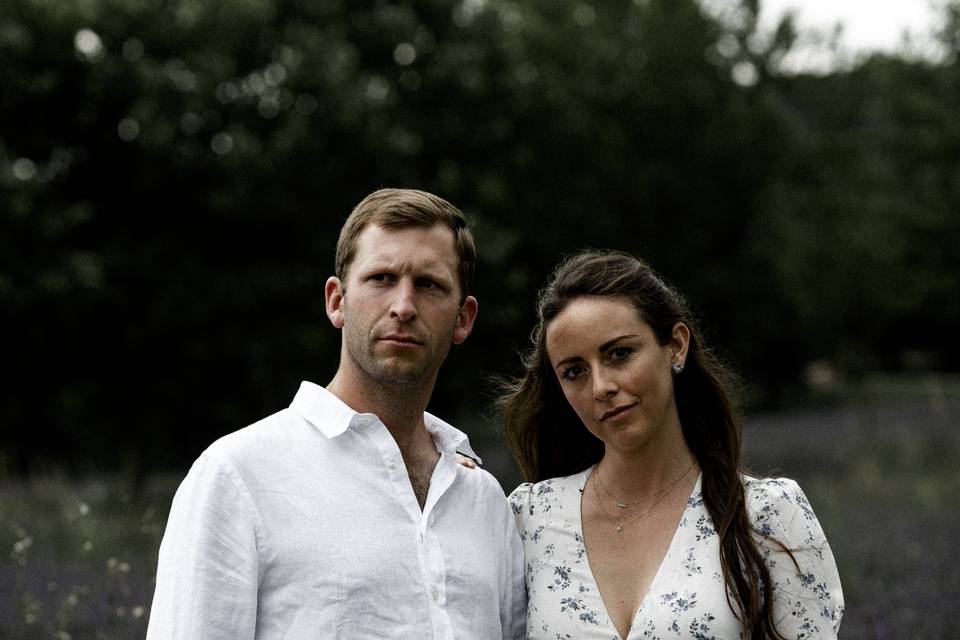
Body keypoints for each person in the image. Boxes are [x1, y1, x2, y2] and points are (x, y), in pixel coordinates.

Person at [147, 188, 526, 639]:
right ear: (336, 301)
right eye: (381, 278)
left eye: (429, 285)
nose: (403, 306)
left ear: (464, 318)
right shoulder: (238, 476)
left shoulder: (484, 502)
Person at [501, 249, 843, 639]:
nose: (601, 387)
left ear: (676, 345)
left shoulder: (765, 516)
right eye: (574, 371)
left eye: (619, 353)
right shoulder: (530, 519)